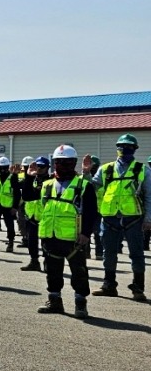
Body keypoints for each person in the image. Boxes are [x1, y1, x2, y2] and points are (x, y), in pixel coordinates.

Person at [36, 145, 98, 318]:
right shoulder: (47, 184)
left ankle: (80, 304)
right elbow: (42, 206)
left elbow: (91, 212)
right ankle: (55, 301)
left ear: (74, 163)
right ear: (54, 163)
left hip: (74, 238)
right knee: (52, 271)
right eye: (59, 162)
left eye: (67, 163)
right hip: (50, 235)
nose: (62, 166)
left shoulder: (84, 185)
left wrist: (86, 233)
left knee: (79, 272)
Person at [91, 134, 151, 301]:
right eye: (122, 147)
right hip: (110, 218)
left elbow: (149, 196)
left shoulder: (143, 169)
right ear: (117, 148)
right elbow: (91, 188)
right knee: (109, 253)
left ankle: (138, 288)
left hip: (134, 219)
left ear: (135, 149)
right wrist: (86, 174)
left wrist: (148, 219)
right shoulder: (105, 169)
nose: (125, 150)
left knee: (137, 254)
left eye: (129, 147)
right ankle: (109, 285)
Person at [19, 156, 51, 272]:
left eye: (42, 166)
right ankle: (34, 262)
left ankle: (48, 262)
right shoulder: (31, 179)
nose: (39, 169)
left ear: (48, 168)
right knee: (31, 241)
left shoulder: (51, 181)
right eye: (38, 166)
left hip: (45, 217)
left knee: (46, 243)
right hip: (31, 216)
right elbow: (25, 194)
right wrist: (28, 177)